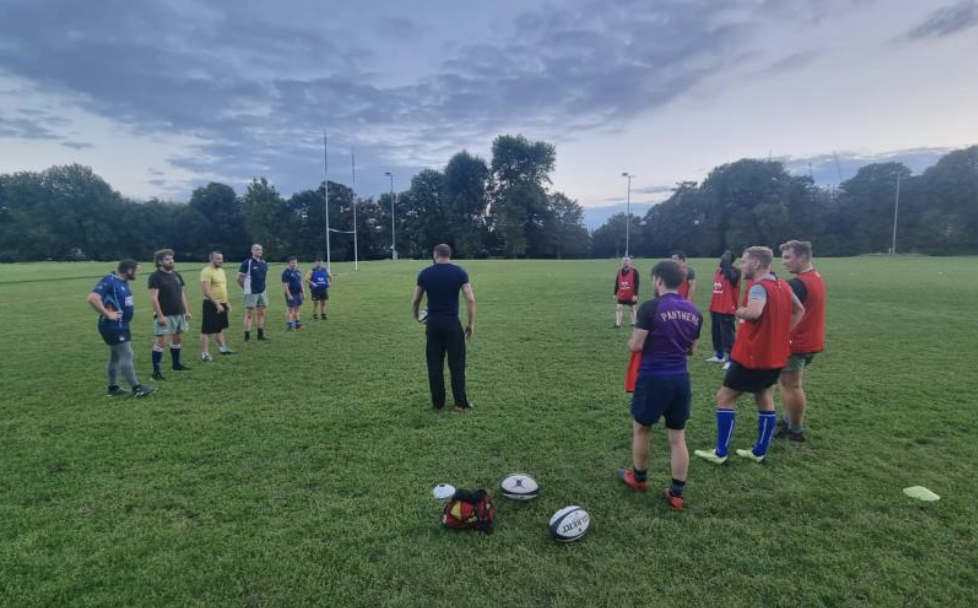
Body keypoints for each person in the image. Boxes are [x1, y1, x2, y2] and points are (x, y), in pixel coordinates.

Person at [695, 246, 804, 465]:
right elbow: (799, 309)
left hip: (753, 356)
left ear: (756, 263)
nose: (741, 266)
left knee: (724, 399)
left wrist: (739, 311)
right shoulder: (782, 284)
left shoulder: (758, 287)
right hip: (775, 356)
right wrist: (780, 332)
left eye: (744, 261)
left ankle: (720, 452)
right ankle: (759, 451)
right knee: (764, 398)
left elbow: (754, 312)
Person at [617, 260, 703, 512]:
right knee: (677, 437)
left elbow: (636, 344)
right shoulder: (694, 311)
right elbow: (692, 350)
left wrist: (632, 342)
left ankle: (639, 479)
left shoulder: (650, 307)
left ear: (659, 280)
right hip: (681, 379)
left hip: (654, 377)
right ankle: (676, 493)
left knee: (642, 429)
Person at [411, 244, 476, 412]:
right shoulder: (459, 272)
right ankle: (460, 404)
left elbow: (416, 300)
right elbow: (470, 300)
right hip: (452, 324)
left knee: (434, 365)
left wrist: (416, 315)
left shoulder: (425, 273)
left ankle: (438, 404)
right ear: (449, 255)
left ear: (435, 254)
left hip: (433, 325)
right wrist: (470, 324)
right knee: (457, 364)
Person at [776, 240, 826, 442]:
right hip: (811, 341)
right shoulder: (816, 277)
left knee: (791, 386)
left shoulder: (797, 284)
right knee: (789, 384)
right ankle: (788, 420)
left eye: (788, 257)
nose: (784, 262)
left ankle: (795, 430)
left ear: (803, 257)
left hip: (796, 343)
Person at [87, 259, 154, 398]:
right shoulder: (109, 280)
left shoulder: (121, 281)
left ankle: (113, 388)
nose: (137, 274)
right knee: (127, 354)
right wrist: (107, 314)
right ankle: (137, 388)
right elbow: (93, 298)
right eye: (136, 271)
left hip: (121, 324)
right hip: (113, 326)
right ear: (129, 270)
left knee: (115, 357)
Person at [147, 249, 192, 381]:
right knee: (161, 343)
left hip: (178, 313)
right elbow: (154, 299)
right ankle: (156, 372)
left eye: (172, 258)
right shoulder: (155, 276)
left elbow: (181, 294)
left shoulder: (177, 275)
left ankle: (176, 365)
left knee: (178, 339)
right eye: (167, 259)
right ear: (160, 261)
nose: (171, 261)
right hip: (165, 315)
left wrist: (186, 310)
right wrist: (160, 316)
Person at [707, 250, 741, 365]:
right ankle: (719, 355)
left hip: (727, 308)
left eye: (725, 257)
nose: (722, 258)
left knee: (728, 335)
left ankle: (731, 359)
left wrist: (727, 262)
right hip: (715, 307)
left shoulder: (735, 272)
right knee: (716, 333)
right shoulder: (719, 271)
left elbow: (730, 277)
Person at [200, 251, 235, 362]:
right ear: (211, 259)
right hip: (211, 304)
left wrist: (226, 302)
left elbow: (222, 288)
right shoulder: (206, 271)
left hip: (222, 303)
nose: (221, 261)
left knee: (220, 327)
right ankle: (205, 354)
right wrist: (216, 304)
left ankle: (223, 349)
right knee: (207, 330)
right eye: (218, 259)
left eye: (221, 258)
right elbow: (206, 291)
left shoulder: (221, 271)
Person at [237, 243, 269, 341]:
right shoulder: (247, 263)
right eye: (257, 249)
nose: (259, 251)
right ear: (252, 251)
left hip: (262, 291)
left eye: (260, 249)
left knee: (261, 313)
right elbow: (239, 279)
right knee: (249, 314)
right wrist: (245, 289)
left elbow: (263, 277)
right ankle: (247, 337)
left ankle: (260, 335)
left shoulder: (264, 262)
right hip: (251, 292)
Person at [613, 256, 640, 328]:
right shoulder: (619, 271)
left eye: (627, 260)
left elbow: (637, 283)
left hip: (631, 294)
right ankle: (618, 324)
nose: (625, 262)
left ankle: (633, 323)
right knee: (618, 308)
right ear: (622, 262)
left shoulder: (635, 271)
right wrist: (615, 293)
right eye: (624, 261)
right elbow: (617, 282)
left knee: (632, 308)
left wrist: (635, 294)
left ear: (630, 262)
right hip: (622, 294)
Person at [282, 256, 306, 331]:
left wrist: (303, 292)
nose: (294, 264)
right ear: (288, 263)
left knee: (297, 309)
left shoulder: (298, 271)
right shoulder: (286, 273)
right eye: (292, 263)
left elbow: (300, 282)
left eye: (295, 262)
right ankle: (289, 326)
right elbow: (285, 285)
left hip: (298, 293)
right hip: (291, 294)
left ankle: (297, 325)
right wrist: (289, 295)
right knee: (290, 310)